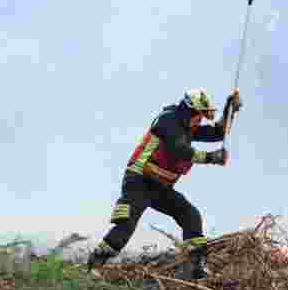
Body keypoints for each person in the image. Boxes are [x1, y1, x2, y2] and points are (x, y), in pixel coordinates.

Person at [87, 88, 241, 278]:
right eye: (199, 116)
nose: (200, 120)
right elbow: (179, 150)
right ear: (189, 111)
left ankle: (196, 266)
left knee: (190, 214)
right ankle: (94, 264)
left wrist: (230, 110)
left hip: (161, 187)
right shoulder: (168, 121)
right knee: (126, 224)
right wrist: (211, 157)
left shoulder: (187, 128)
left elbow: (218, 133)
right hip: (139, 180)